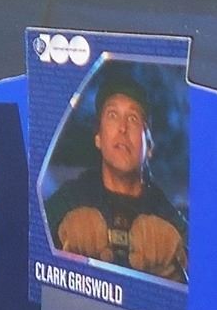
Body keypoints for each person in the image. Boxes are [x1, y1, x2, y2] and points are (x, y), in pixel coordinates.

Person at [43, 70, 188, 282]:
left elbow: (203, 275)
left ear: (149, 146)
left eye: (133, 118)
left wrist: (173, 272)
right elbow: (32, 249)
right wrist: (60, 241)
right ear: (98, 138)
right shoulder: (67, 201)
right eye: (112, 115)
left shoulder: (169, 217)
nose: (122, 128)